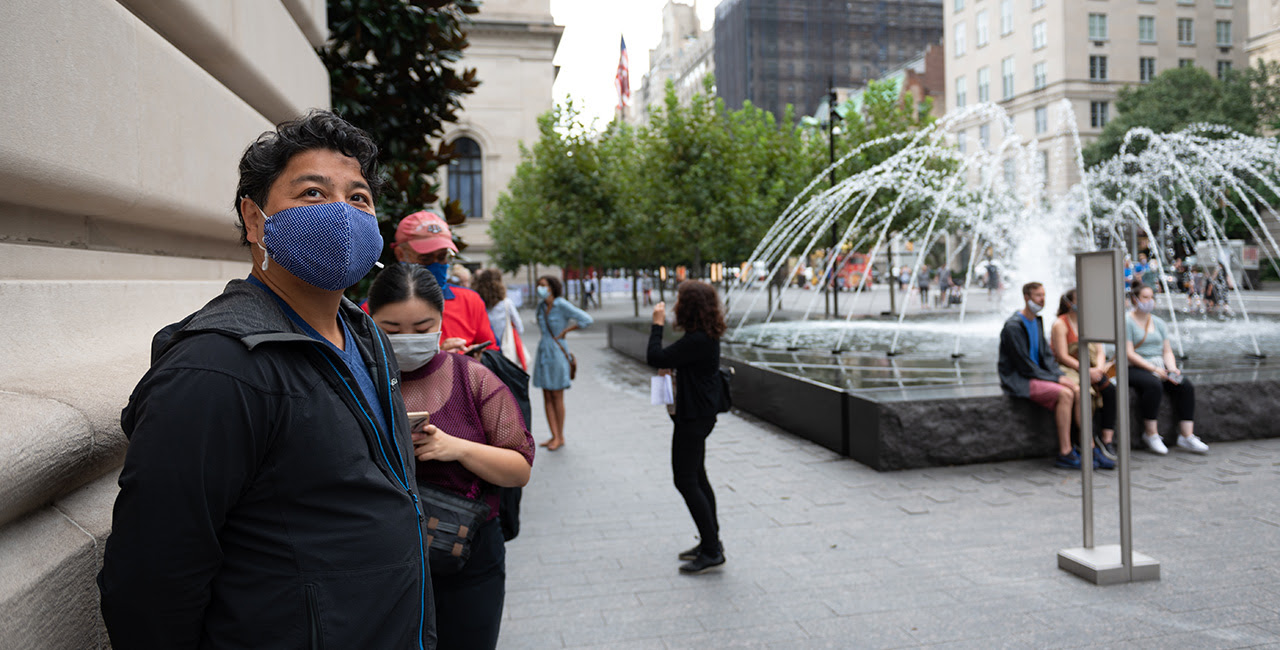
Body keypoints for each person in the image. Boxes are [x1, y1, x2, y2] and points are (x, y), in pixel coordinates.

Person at [97, 111, 435, 648]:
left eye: (359, 198)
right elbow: (152, 579)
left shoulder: (365, 335)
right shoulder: (215, 367)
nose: (342, 214)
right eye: (312, 193)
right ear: (255, 221)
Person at [367, 264, 534, 649]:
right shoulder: (360, 382)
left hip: (468, 557)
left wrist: (455, 448)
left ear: (442, 321)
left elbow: (519, 468)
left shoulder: (474, 379)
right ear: (369, 320)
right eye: (392, 331)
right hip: (382, 561)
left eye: (423, 329)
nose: (408, 339)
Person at [646, 281, 727, 575]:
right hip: (699, 415)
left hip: (694, 418)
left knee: (685, 479)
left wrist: (657, 325)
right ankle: (710, 541)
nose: (676, 304)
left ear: (689, 305)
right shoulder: (703, 336)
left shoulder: (697, 341)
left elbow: (655, 356)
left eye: (680, 299)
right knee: (698, 476)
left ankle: (712, 549)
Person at [998, 282, 1110, 469]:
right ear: (1026, 297)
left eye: (1043, 295)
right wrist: (1057, 379)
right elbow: (1024, 365)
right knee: (1065, 393)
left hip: (1037, 376)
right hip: (1020, 379)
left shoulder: (1037, 321)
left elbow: (1047, 357)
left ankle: (1089, 446)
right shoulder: (1013, 326)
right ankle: (1065, 452)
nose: (1042, 300)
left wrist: (1058, 375)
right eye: (1037, 296)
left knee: (1077, 389)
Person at [389, 211, 498, 353]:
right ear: (401, 254)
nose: (436, 264)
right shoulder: (378, 308)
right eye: (425, 258)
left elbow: (492, 352)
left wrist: (475, 358)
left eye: (442, 257)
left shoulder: (470, 301)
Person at [1126, 283, 1209, 454]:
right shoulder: (1127, 321)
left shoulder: (1159, 323)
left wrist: (1172, 369)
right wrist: (1153, 369)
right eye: (1145, 298)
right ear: (1135, 299)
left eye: (1151, 298)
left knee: (1184, 385)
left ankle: (1187, 435)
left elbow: (1167, 350)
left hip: (1160, 367)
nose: (1149, 301)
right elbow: (1129, 353)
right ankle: (1151, 434)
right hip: (1135, 367)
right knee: (1153, 385)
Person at [1050, 288, 1118, 459]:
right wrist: (1086, 371)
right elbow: (1062, 355)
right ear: (1069, 302)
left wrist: (1099, 369)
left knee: (1110, 391)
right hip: (1071, 369)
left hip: (1095, 368)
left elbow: (1101, 351)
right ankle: (1088, 442)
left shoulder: (1090, 321)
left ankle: (1107, 440)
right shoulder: (1060, 324)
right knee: (1084, 394)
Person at [531, 275, 593, 450]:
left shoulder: (561, 304)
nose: (540, 288)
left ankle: (560, 436)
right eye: (538, 285)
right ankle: (553, 435)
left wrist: (567, 330)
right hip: (543, 350)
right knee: (546, 394)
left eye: (543, 285)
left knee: (557, 395)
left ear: (552, 287)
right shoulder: (541, 306)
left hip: (557, 352)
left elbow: (587, 319)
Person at [475, 268, 528, 371]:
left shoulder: (477, 303)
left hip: (484, 355)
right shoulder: (506, 304)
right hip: (504, 353)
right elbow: (520, 328)